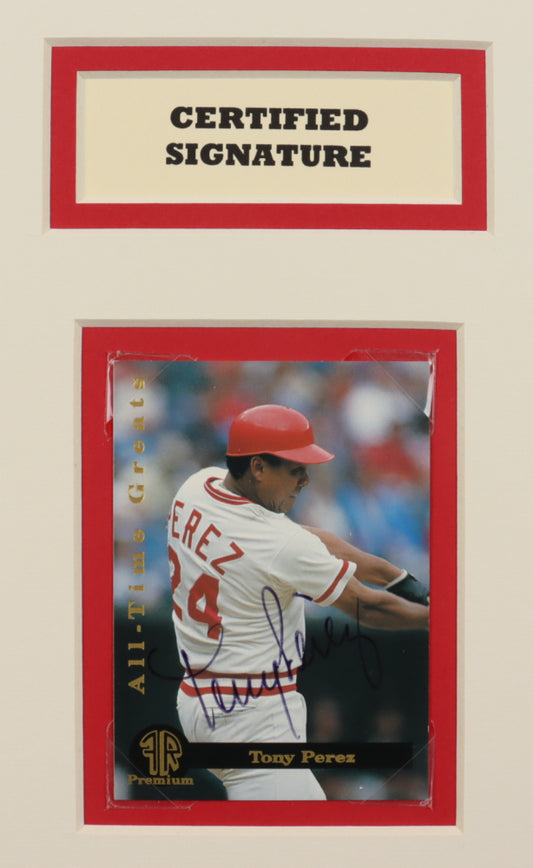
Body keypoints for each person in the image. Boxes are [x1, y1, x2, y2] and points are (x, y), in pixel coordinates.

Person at [167, 404, 429, 800]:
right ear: (257, 467)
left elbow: (311, 541)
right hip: (253, 719)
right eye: (296, 470)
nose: (306, 480)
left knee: (305, 824)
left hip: (199, 699)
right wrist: (441, 620)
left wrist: (403, 581)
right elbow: (369, 606)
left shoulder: (196, 487)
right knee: (291, 834)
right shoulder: (280, 545)